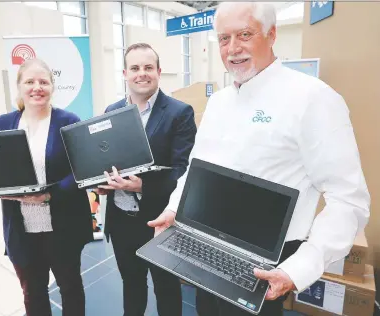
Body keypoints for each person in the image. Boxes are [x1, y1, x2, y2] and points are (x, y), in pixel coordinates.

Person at [148, 2, 370, 316]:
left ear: (272, 34)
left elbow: (349, 200)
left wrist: (299, 268)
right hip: (207, 246)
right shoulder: (220, 101)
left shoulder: (314, 99)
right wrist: (175, 209)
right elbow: (196, 169)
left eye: (245, 34)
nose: (233, 48)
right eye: (224, 39)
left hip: (266, 262)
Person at [0, 58, 93, 316]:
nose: (37, 87)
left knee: (70, 286)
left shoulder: (68, 120)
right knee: (32, 291)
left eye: (44, 81)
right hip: (21, 227)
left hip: (62, 224)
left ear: (53, 86)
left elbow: (82, 170)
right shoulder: (2, 124)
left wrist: (51, 194)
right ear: (20, 87)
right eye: (29, 81)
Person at [96, 43, 197, 316]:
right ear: (125, 73)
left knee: (166, 286)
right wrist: (100, 186)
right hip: (121, 220)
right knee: (132, 284)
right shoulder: (111, 111)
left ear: (159, 72)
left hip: (160, 219)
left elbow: (184, 171)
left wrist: (143, 185)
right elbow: (104, 161)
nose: (142, 74)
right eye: (135, 68)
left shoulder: (179, 113)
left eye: (148, 67)